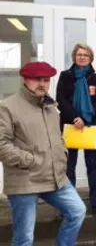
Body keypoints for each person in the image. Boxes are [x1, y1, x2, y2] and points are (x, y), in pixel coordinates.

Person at [0, 62, 86, 246]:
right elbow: (1, 144)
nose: (42, 84)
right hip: (24, 179)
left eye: (46, 80)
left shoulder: (51, 108)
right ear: (25, 80)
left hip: (54, 177)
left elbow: (57, 137)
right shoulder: (7, 107)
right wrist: (28, 160)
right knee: (24, 238)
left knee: (77, 211)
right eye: (37, 79)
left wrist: (62, 154)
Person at [56, 43, 96, 216]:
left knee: (92, 166)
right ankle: (68, 206)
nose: (82, 57)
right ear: (74, 57)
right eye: (79, 54)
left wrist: (84, 118)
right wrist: (75, 117)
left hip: (90, 126)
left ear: (91, 58)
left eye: (85, 55)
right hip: (70, 126)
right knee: (69, 167)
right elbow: (60, 100)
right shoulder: (65, 76)